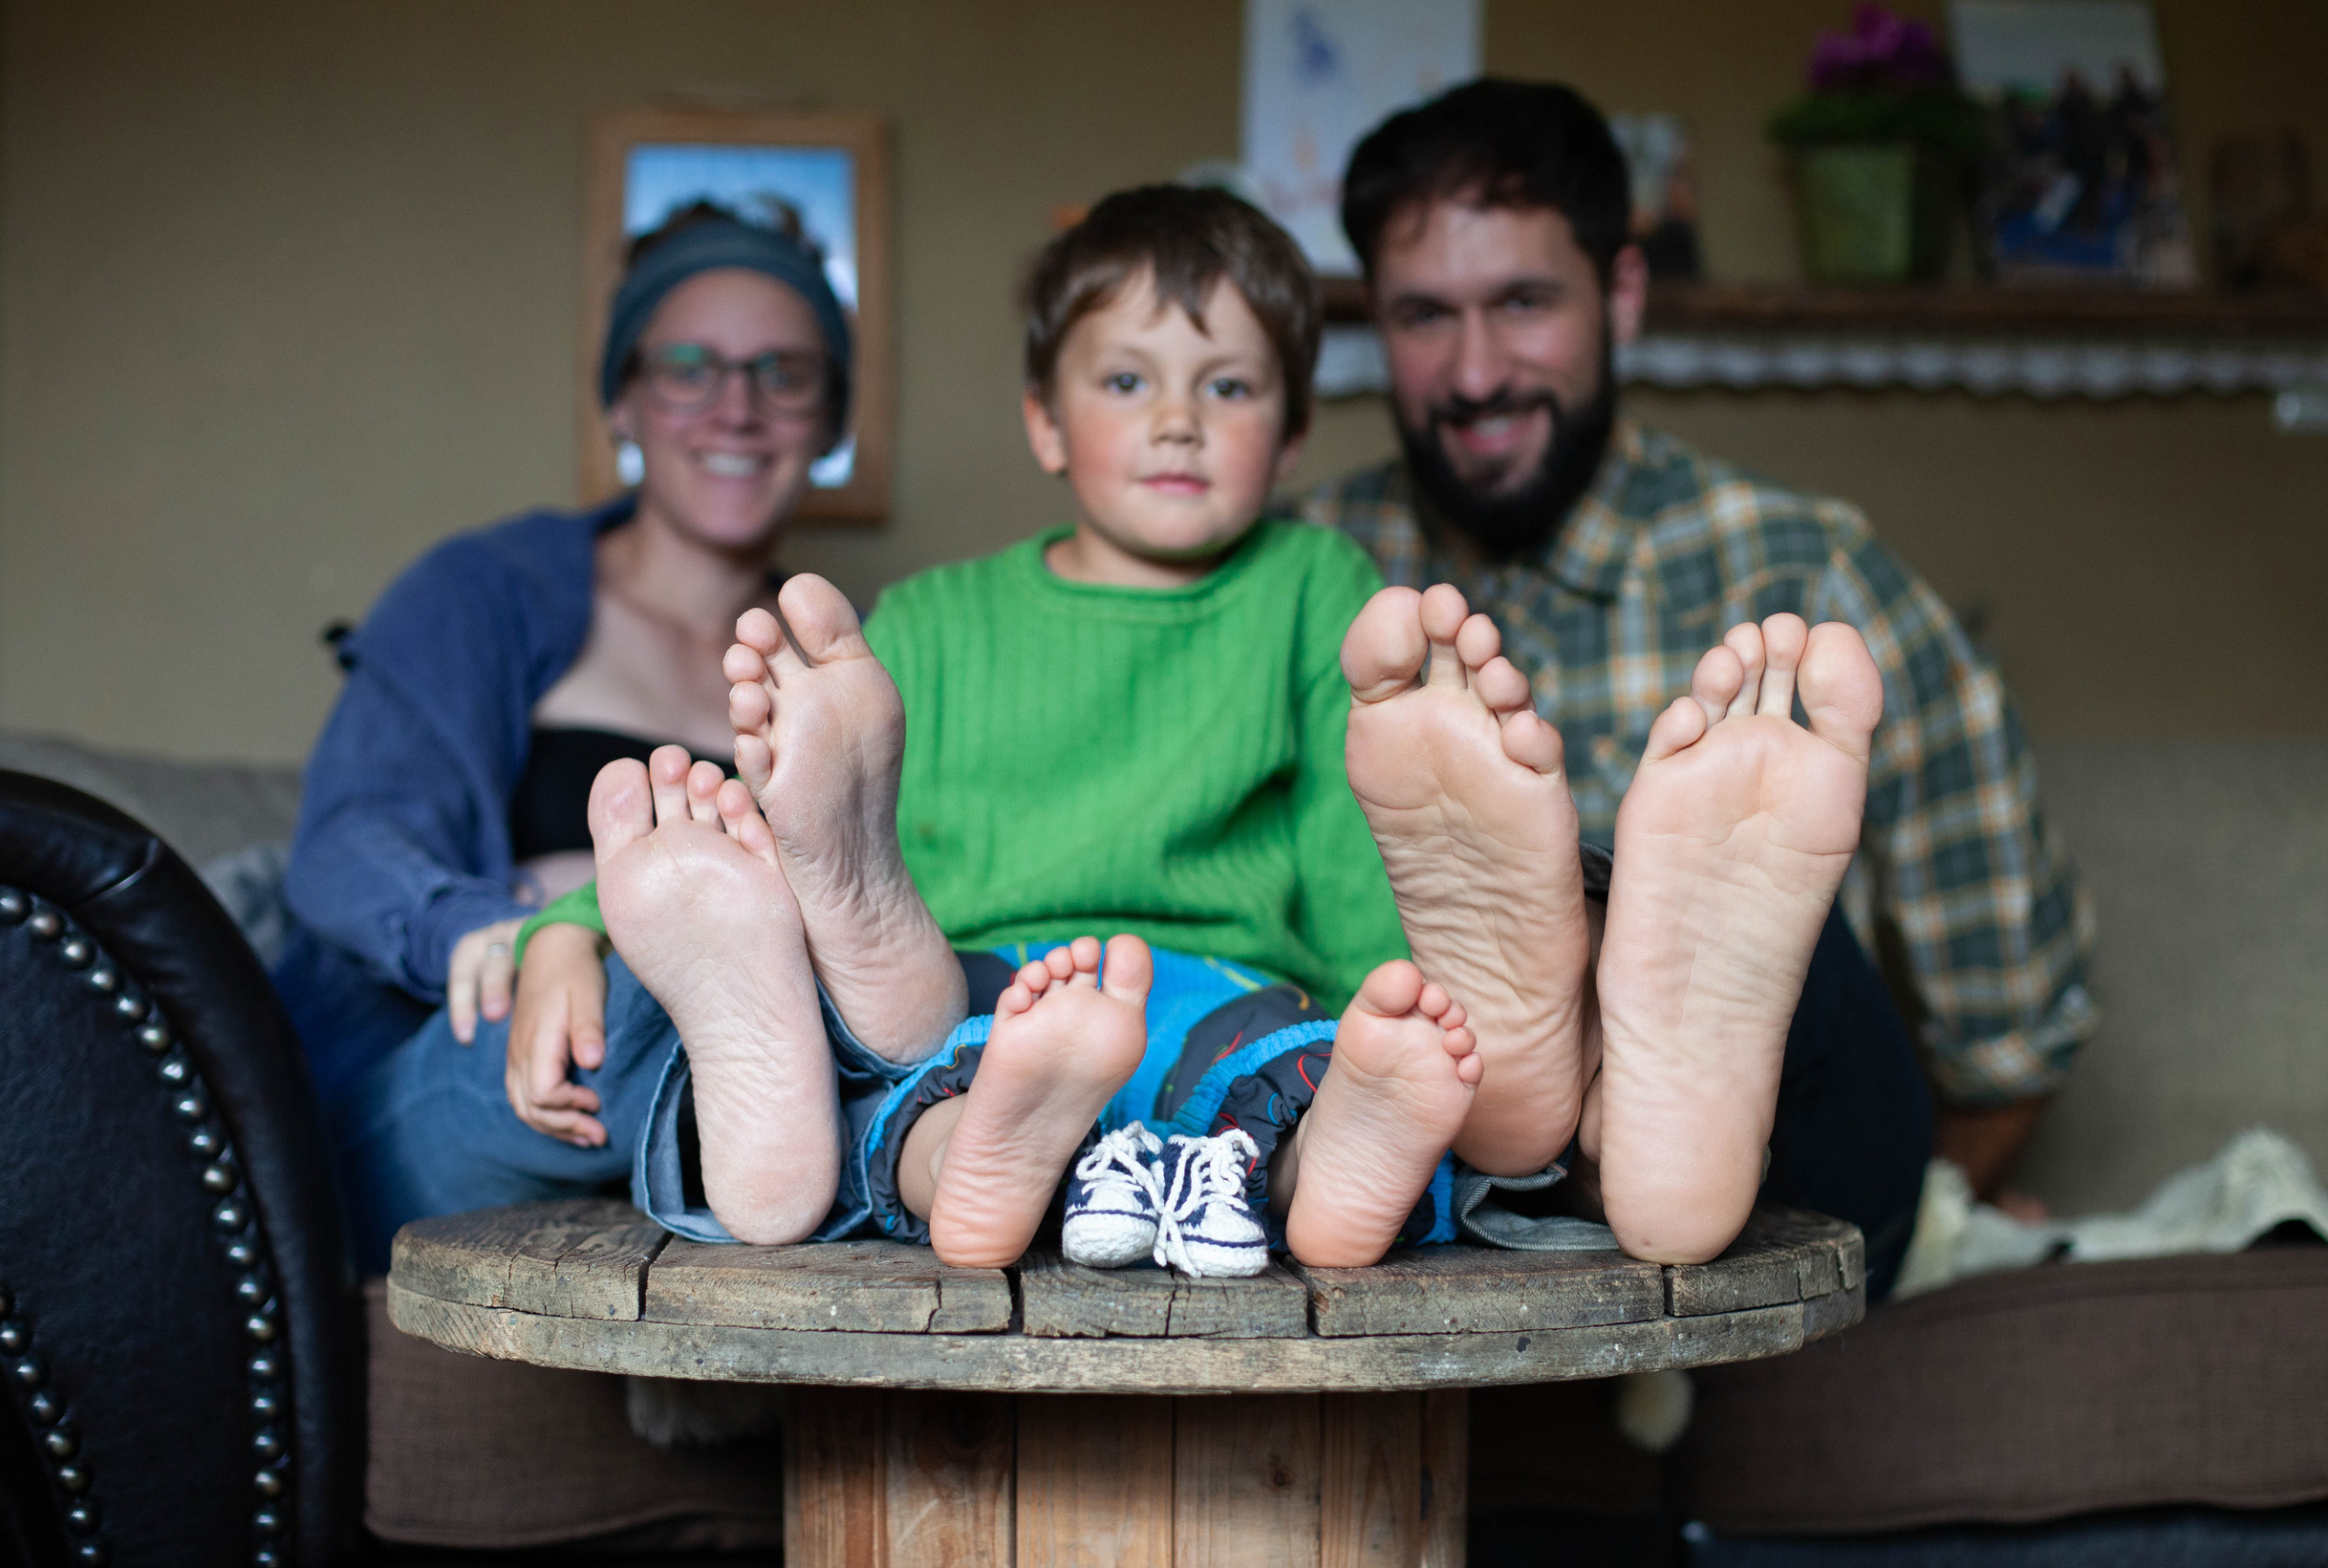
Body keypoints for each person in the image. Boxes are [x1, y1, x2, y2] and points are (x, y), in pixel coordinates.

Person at [530, 183, 1894, 1285]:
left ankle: (1321, 1119)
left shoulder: (1319, 599)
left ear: (1294, 431)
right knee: (993, 1060)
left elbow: (1377, 841)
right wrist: (583, 925)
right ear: (1042, 421)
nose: (1179, 417)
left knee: (1263, 1084)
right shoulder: (924, 625)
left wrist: (1416, 1003)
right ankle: (887, 964)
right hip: (1020, 999)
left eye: (1229, 388)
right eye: (1126, 380)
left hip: (1157, 998)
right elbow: (751, 820)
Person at [1301, 79, 2098, 1286]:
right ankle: (1546, 1107)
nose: (1472, 373)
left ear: (1619, 294)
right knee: (1398, 1027)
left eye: (1521, 303)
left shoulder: (1802, 570)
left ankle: (1655, 1066)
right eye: (1422, 316)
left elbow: (2009, 1027)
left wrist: (1908, 1227)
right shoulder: (1311, 578)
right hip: (1403, 1180)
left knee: (1775, 936)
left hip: (1783, 1181)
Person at [276, 199, 875, 1270]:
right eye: (689, 366)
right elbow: (348, 841)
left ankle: (787, 1131)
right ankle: (700, 1046)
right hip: (487, 1060)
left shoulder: (839, 661)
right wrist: (491, 931)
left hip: (762, 1061)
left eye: (783, 374)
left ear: (828, 423)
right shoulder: (481, 595)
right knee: (620, 1016)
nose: (735, 409)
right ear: (622, 402)